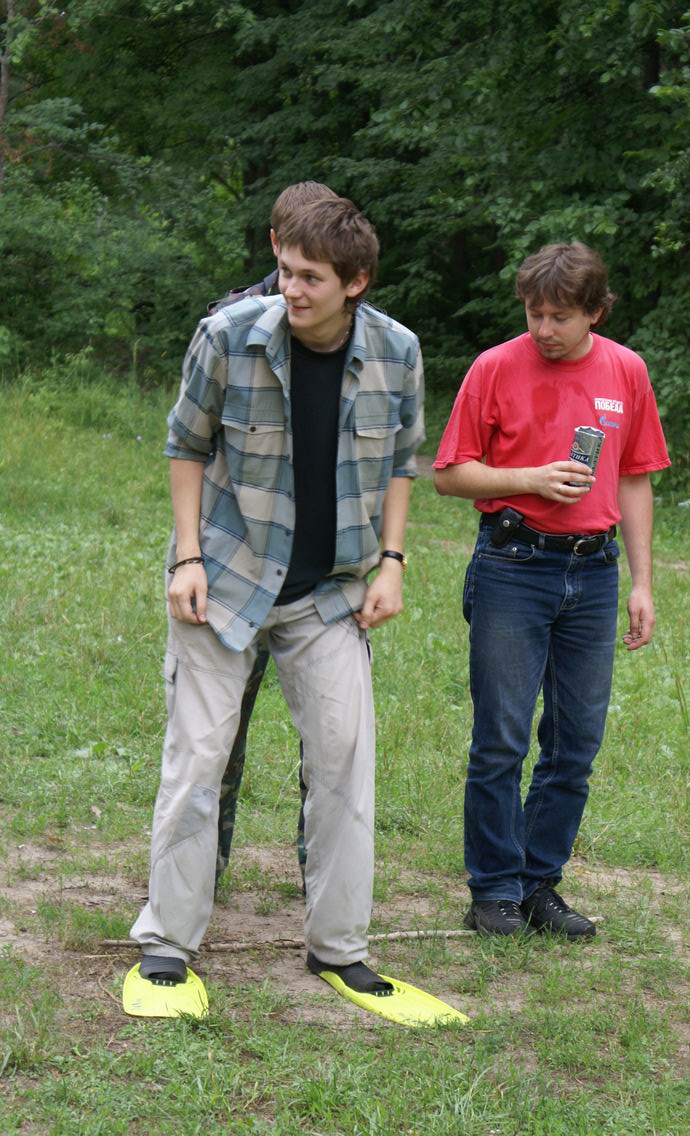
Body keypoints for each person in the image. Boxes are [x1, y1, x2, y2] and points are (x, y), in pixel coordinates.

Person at [129, 197, 425, 998]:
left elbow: (402, 461)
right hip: (224, 580)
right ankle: (168, 941)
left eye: (310, 278)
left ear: (356, 282)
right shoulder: (227, 335)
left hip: (329, 593)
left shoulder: (397, 352)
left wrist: (391, 562)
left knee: (344, 761)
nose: (290, 289)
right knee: (198, 759)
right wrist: (187, 557)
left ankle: (338, 947)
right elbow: (185, 446)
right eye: (286, 270)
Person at [433, 242, 670, 939]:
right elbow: (449, 473)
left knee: (575, 744)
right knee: (501, 739)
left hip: (594, 573)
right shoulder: (494, 368)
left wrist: (642, 582)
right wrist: (529, 479)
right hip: (513, 564)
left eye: (559, 317)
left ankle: (539, 885)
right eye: (534, 314)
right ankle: (493, 891)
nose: (543, 329)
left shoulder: (626, 370)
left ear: (595, 312)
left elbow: (635, 478)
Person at [208, 181, 338, 889]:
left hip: (318, 568)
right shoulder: (230, 321)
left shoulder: (351, 326)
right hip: (241, 559)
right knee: (219, 729)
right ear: (274, 242)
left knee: (329, 738)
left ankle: (318, 867)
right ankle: (207, 864)